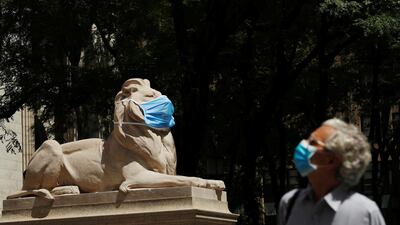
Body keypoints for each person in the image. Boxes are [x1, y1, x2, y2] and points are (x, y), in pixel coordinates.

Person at [278, 118, 386, 225]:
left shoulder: (366, 214)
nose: (303, 145)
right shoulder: (289, 203)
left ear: (331, 159)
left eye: (312, 142)